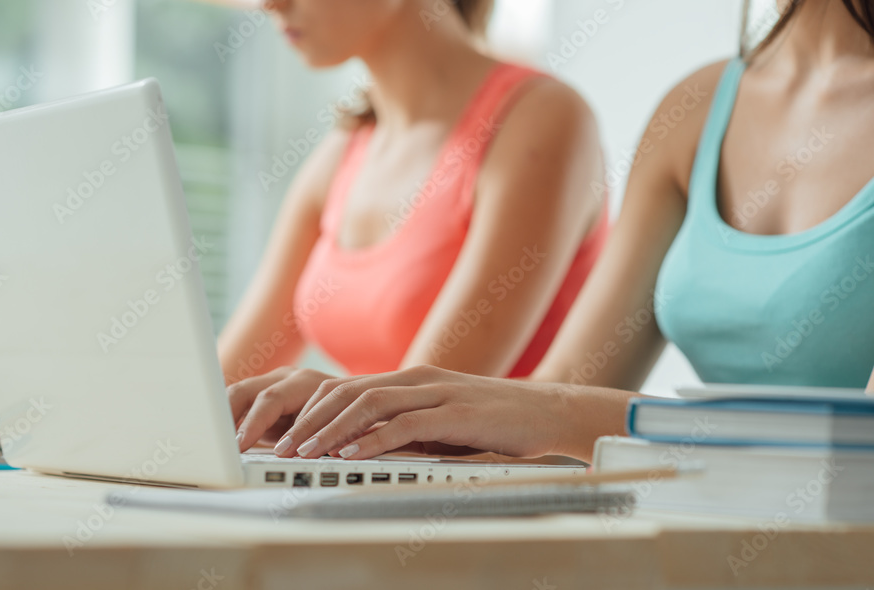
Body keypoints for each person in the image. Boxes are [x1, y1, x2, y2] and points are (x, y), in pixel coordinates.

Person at [0, 0, 610, 440]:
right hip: (373, 500)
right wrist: (29, 388)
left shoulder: (542, 122)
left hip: (483, 523)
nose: (266, 3)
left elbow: (421, 407)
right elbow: (218, 379)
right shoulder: (340, 154)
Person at [262, 0, 874, 463]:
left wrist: (552, 412)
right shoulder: (697, 106)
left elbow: (863, 445)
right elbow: (566, 390)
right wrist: (367, 407)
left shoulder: (542, 115)